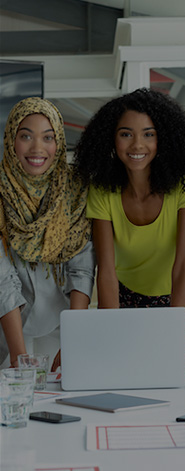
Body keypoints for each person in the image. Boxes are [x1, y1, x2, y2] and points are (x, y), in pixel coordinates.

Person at [74, 88, 185, 377]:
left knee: (170, 376)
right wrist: (113, 332)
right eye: (125, 134)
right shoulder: (102, 188)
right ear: (111, 137)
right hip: (122, 297)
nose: (137, 144)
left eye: (149, 134)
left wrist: (174, 333)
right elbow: (105, 271)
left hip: (172, 301)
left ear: (164, 137)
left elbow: (184, 264)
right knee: (121, 373)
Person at [0, 97, 95, 370]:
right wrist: (19, 357)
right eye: (26, 136)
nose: (37, 148)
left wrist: (73, 340)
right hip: (6, 327)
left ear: (59, 143)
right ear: (10, 140)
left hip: (63, 323)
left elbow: (82, 269)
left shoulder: (75, 189)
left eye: (48, 137)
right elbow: (2, 280)